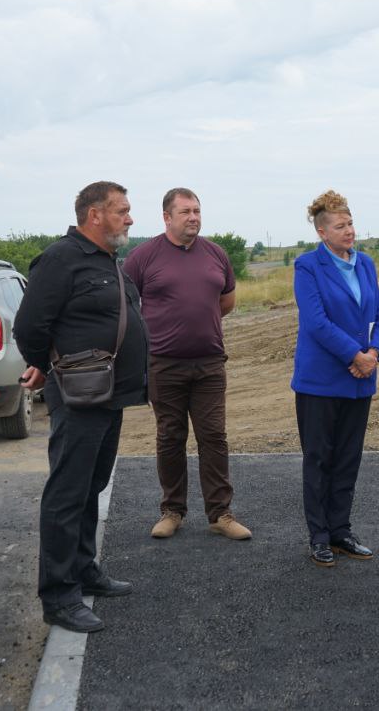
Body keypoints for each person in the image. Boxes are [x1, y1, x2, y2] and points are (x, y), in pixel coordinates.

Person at [13, 181, 150, 634]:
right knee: (67, 493)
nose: (130, 218)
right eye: (122, 211)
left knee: (91, 485)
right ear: (95, 215)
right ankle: (58, 594)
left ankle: (84, 569)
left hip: (109, 396)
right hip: (78, 394)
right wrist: (45, 365)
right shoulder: (60, 259)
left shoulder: (109, 260)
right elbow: (30, 324)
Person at [122, 188, 251, 541]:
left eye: (197, 210)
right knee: (170, 438)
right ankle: (172, 511)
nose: (193, 217)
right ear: (167, 217)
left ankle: (220, 514)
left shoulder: (216, 254)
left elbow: (226, 301)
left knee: (214, 437)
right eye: (185, 212)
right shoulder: (142, 257)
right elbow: (126, 307)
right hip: (163, 365)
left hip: (209, 363)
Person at [291, 190, 379, 567]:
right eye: (340, 225)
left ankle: (340, 530)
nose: (349, 230)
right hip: (321, 380)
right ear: (321, 231)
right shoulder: (307, 266)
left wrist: (374, 354)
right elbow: (316, 323)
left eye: (350, 223)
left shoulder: (365, 263)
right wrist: (355, 355)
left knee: (348, 459)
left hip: (359, 379)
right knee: (319, 458)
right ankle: (318, 535)